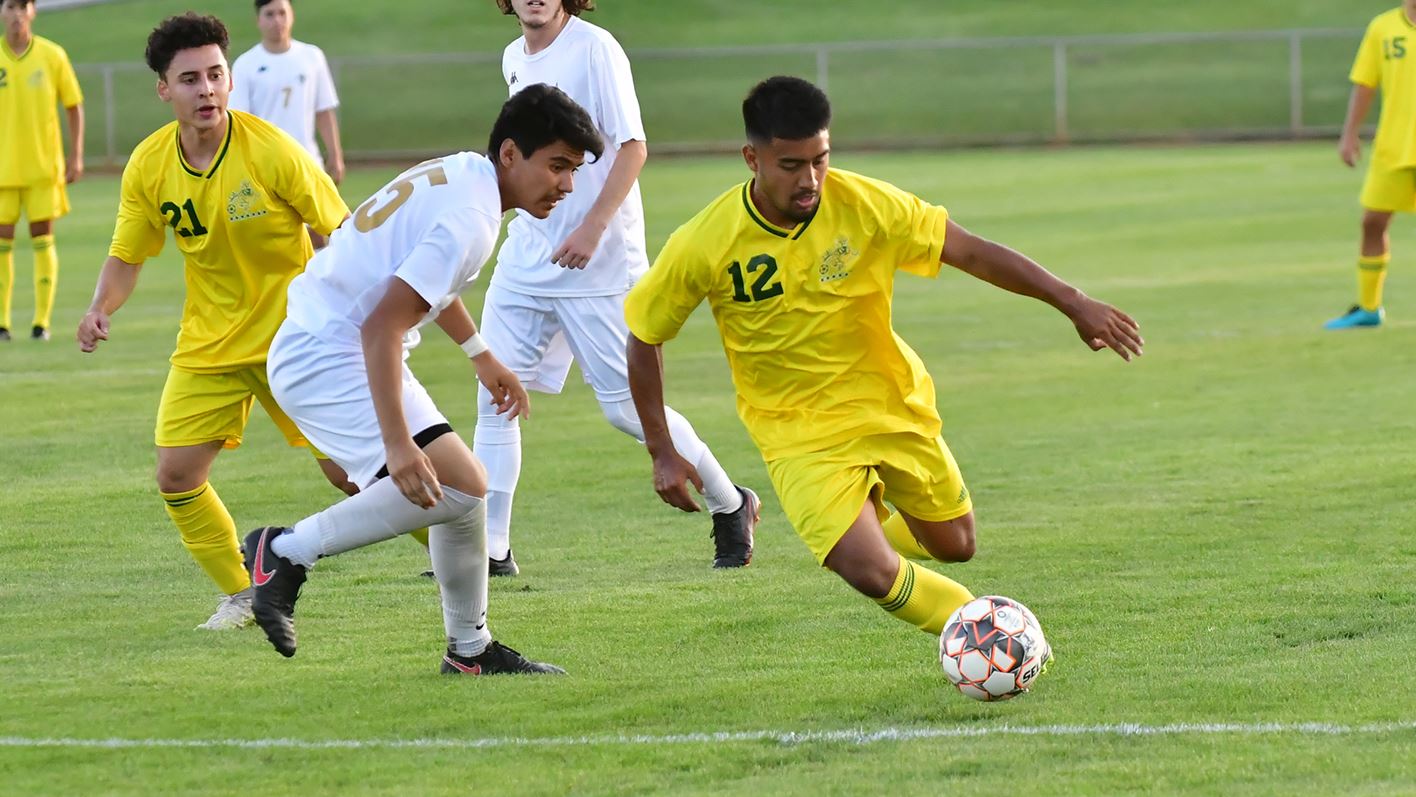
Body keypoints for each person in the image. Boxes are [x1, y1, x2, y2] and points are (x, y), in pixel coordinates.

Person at [625, 77, 1142, 647]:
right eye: (790, 165)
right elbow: (645, 334)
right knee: (871, 571)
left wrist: (1074, 302)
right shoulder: (705, 240)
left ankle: (867, 526)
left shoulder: (865, 204)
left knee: (956, 544)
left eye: (821, 159)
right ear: (752, 158)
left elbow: (968, 249)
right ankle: (989, 638)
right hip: (798, 433)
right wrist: (662, 451)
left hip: (890, 403)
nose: (811, 179)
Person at [244, 83, 601, 675]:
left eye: (573, 170)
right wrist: (397, 445)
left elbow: (422, 282)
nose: (566, 185)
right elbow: (382, 327)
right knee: (457, 484)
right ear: (510, 154)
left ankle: (470, 651)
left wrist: (481, 354)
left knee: (462, 494)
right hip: (327, 355)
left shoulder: (466, 173)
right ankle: (282, 552)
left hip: (328, 340)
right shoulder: (474, 218)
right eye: (557, 166)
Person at [75, 13, 351, 631]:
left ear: (230, 81)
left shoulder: (274, 150)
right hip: (209, 345)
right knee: (176, 475)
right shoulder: (149, 165)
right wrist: (100, 307)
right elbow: (127, 255)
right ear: (164, 90)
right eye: (190, 79)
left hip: (293, 340)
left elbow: (340, 230)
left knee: (355, 477)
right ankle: (244, 593)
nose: (206, 89)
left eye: (216, 75)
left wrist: (347, 313)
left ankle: (467, 553)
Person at [475, 0, 758, 577]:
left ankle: (732, 504)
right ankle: (490, 551)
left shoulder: (596, 47)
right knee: (495, 396)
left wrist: (592, 226)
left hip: (598, 264)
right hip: (528, 254)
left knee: (629, 410)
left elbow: (633, 147)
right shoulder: (512, 57)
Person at [1328, 0, 1416, 330]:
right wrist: (1349, 135)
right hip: (1394, 147)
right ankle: (1369, 309)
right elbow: (1365, 83)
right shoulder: (1383, 27)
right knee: (1373, 223)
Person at [0, 0, 83, 342]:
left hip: (41, 168)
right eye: (10, 7)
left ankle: (41, 323)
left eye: (24, 7)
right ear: (1, 12)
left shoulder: (52, 55)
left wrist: (75, 155)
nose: (17, 14)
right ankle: (2, 324)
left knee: (42, 239)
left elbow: (74, 105)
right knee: (2, 245)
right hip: (2, 171)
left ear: (33, 12)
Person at [229, 0, 344, 186]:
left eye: (282, 13)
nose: (277, 20)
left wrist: (335, 155)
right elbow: (238, 121)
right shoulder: (245, 64)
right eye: (270, 14)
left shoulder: (312, 57)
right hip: (266, 167)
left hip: (308, 162)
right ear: (258, 20)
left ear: (292, 15)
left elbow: (324, 111)